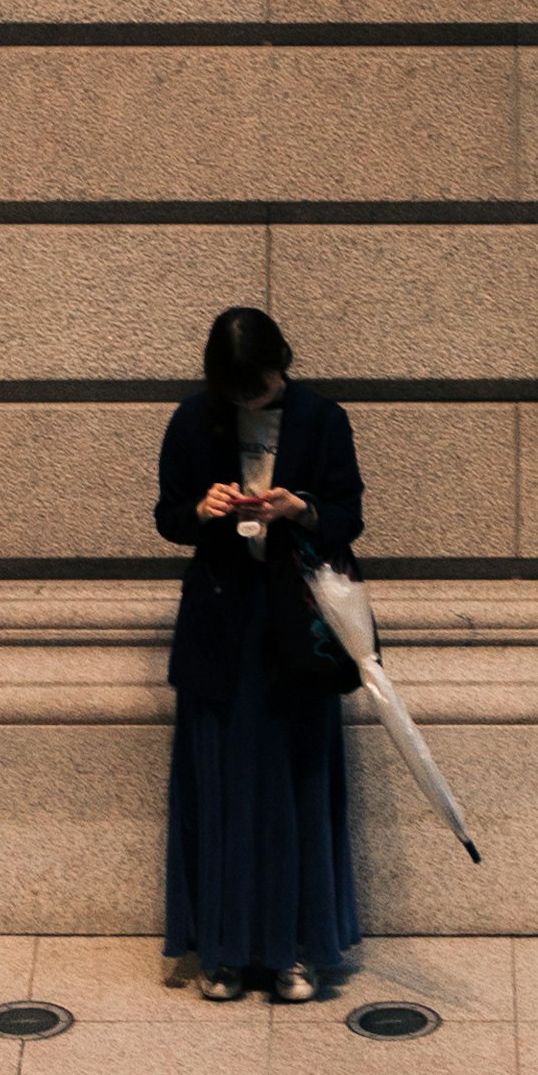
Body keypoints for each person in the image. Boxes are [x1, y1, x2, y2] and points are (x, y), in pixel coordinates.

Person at [152, 305, 363, 1004]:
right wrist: (201, 510)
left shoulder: (322, 419)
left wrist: (299, 508)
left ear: (282, 365)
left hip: (294, 631)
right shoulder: (193, 420)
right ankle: (222, 952)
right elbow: (167, 517)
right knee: (222, 786)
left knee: (291, 785)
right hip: (221, 627)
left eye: (261, 386)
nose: (250, 401)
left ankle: (293, 952)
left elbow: (348, 516)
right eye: (237, 391)